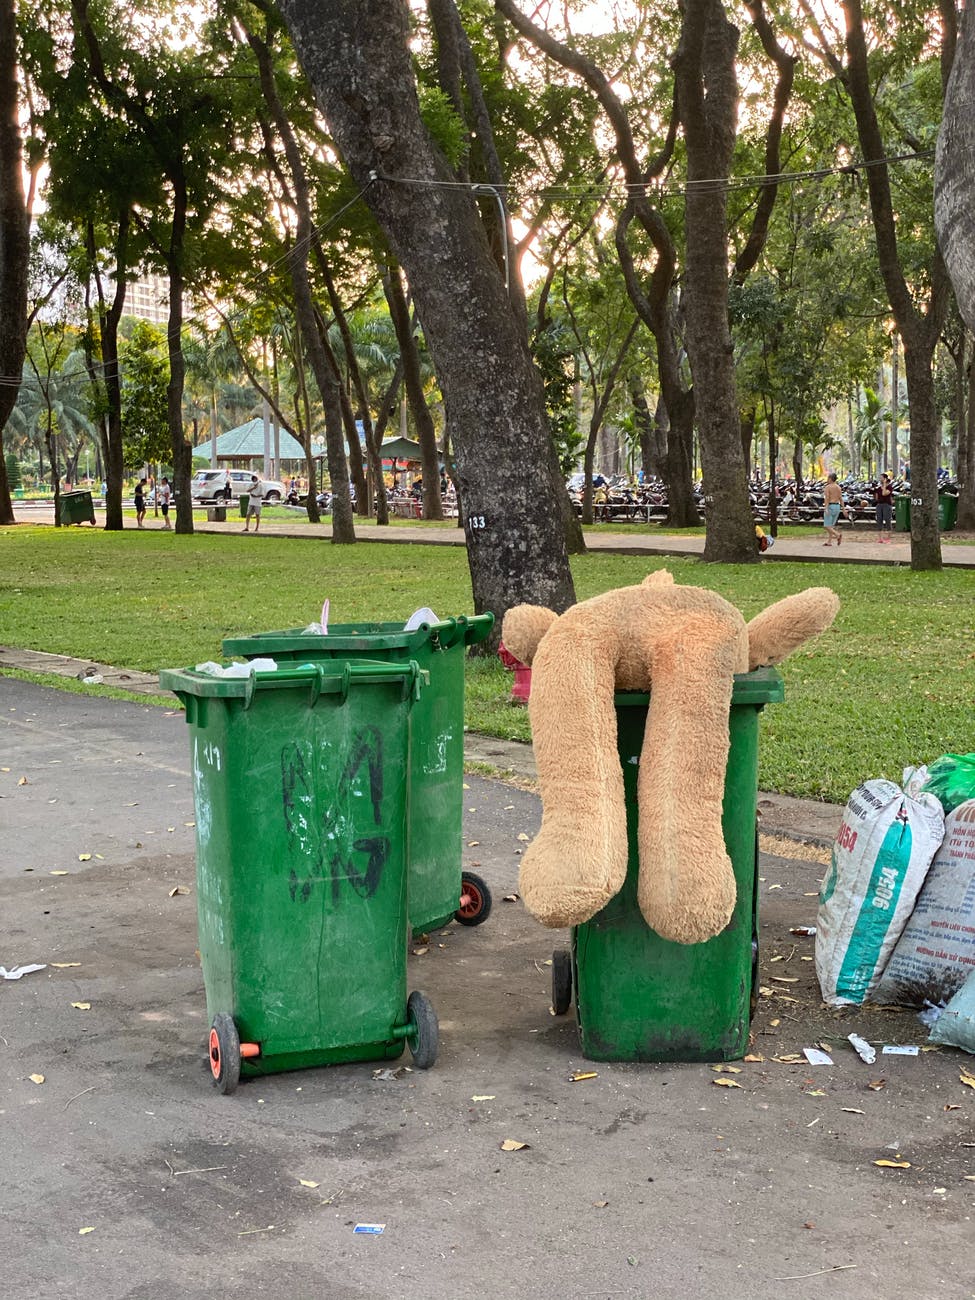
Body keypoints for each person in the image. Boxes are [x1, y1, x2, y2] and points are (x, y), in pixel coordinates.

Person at [822, 471, 843, 546]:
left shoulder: (828, 487)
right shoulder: (838, 487)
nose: (827, 479)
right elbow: (841, 499)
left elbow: (827, 498)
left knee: (826, 526)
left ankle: (837, 535)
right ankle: (829, 541)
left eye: (828, 478)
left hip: (830, 506)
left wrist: (826, 508)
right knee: (831, 525)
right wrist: (843, 509)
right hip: (837, 506)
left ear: (830, 479)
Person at [874, 472, 894, 544]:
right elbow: (877, 497)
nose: (880, 479)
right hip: (879, 505)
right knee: (879, 521)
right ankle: (880, 538)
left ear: (885, 479)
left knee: (887, 520)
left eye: (881, 478)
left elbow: (884, 493)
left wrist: (885, 485)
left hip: (887, 505)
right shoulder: (879, 488)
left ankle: (888, 538)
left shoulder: (889, 487)